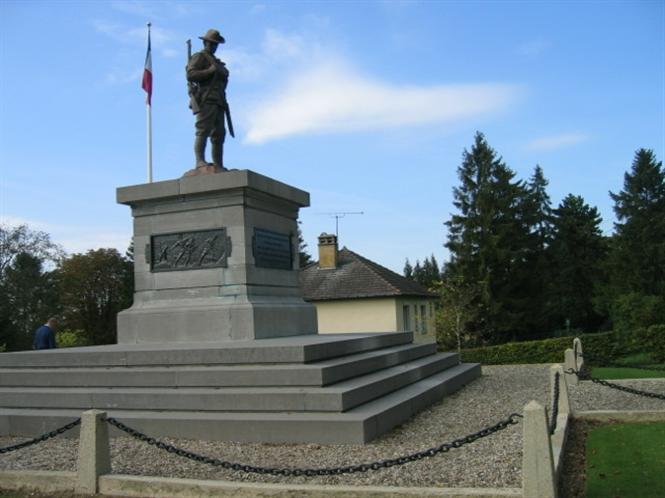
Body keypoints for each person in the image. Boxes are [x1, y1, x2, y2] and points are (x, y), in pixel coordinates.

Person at [186, 28, 230, 170]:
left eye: (215, 44)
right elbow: (191, 74)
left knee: (219, 134)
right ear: (205, 42)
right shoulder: (200, 57)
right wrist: (209, 71)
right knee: (203, 130)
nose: (213, 46)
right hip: (206, 98)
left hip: (219, 100)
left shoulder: (217, 62)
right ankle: (200, 161)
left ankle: (218, 164)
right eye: (211, 43)